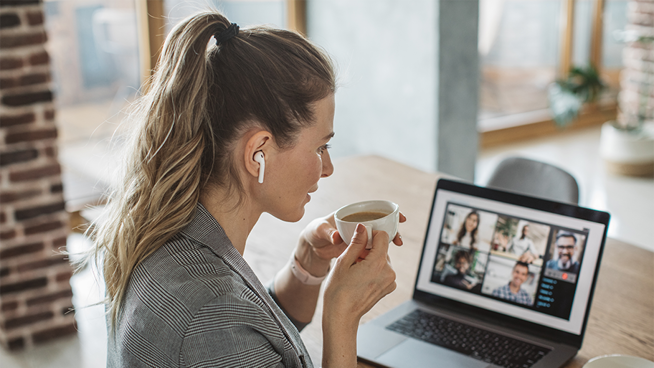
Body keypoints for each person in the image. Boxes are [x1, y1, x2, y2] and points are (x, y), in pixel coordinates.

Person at [82, 11, 405, 368]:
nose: (327, 168)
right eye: (319, 147)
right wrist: (342, 317)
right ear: (257, 153)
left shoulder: (173, 234)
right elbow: (222, 328)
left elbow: (255, 341)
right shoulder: (209, 314)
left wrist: (306, 265)